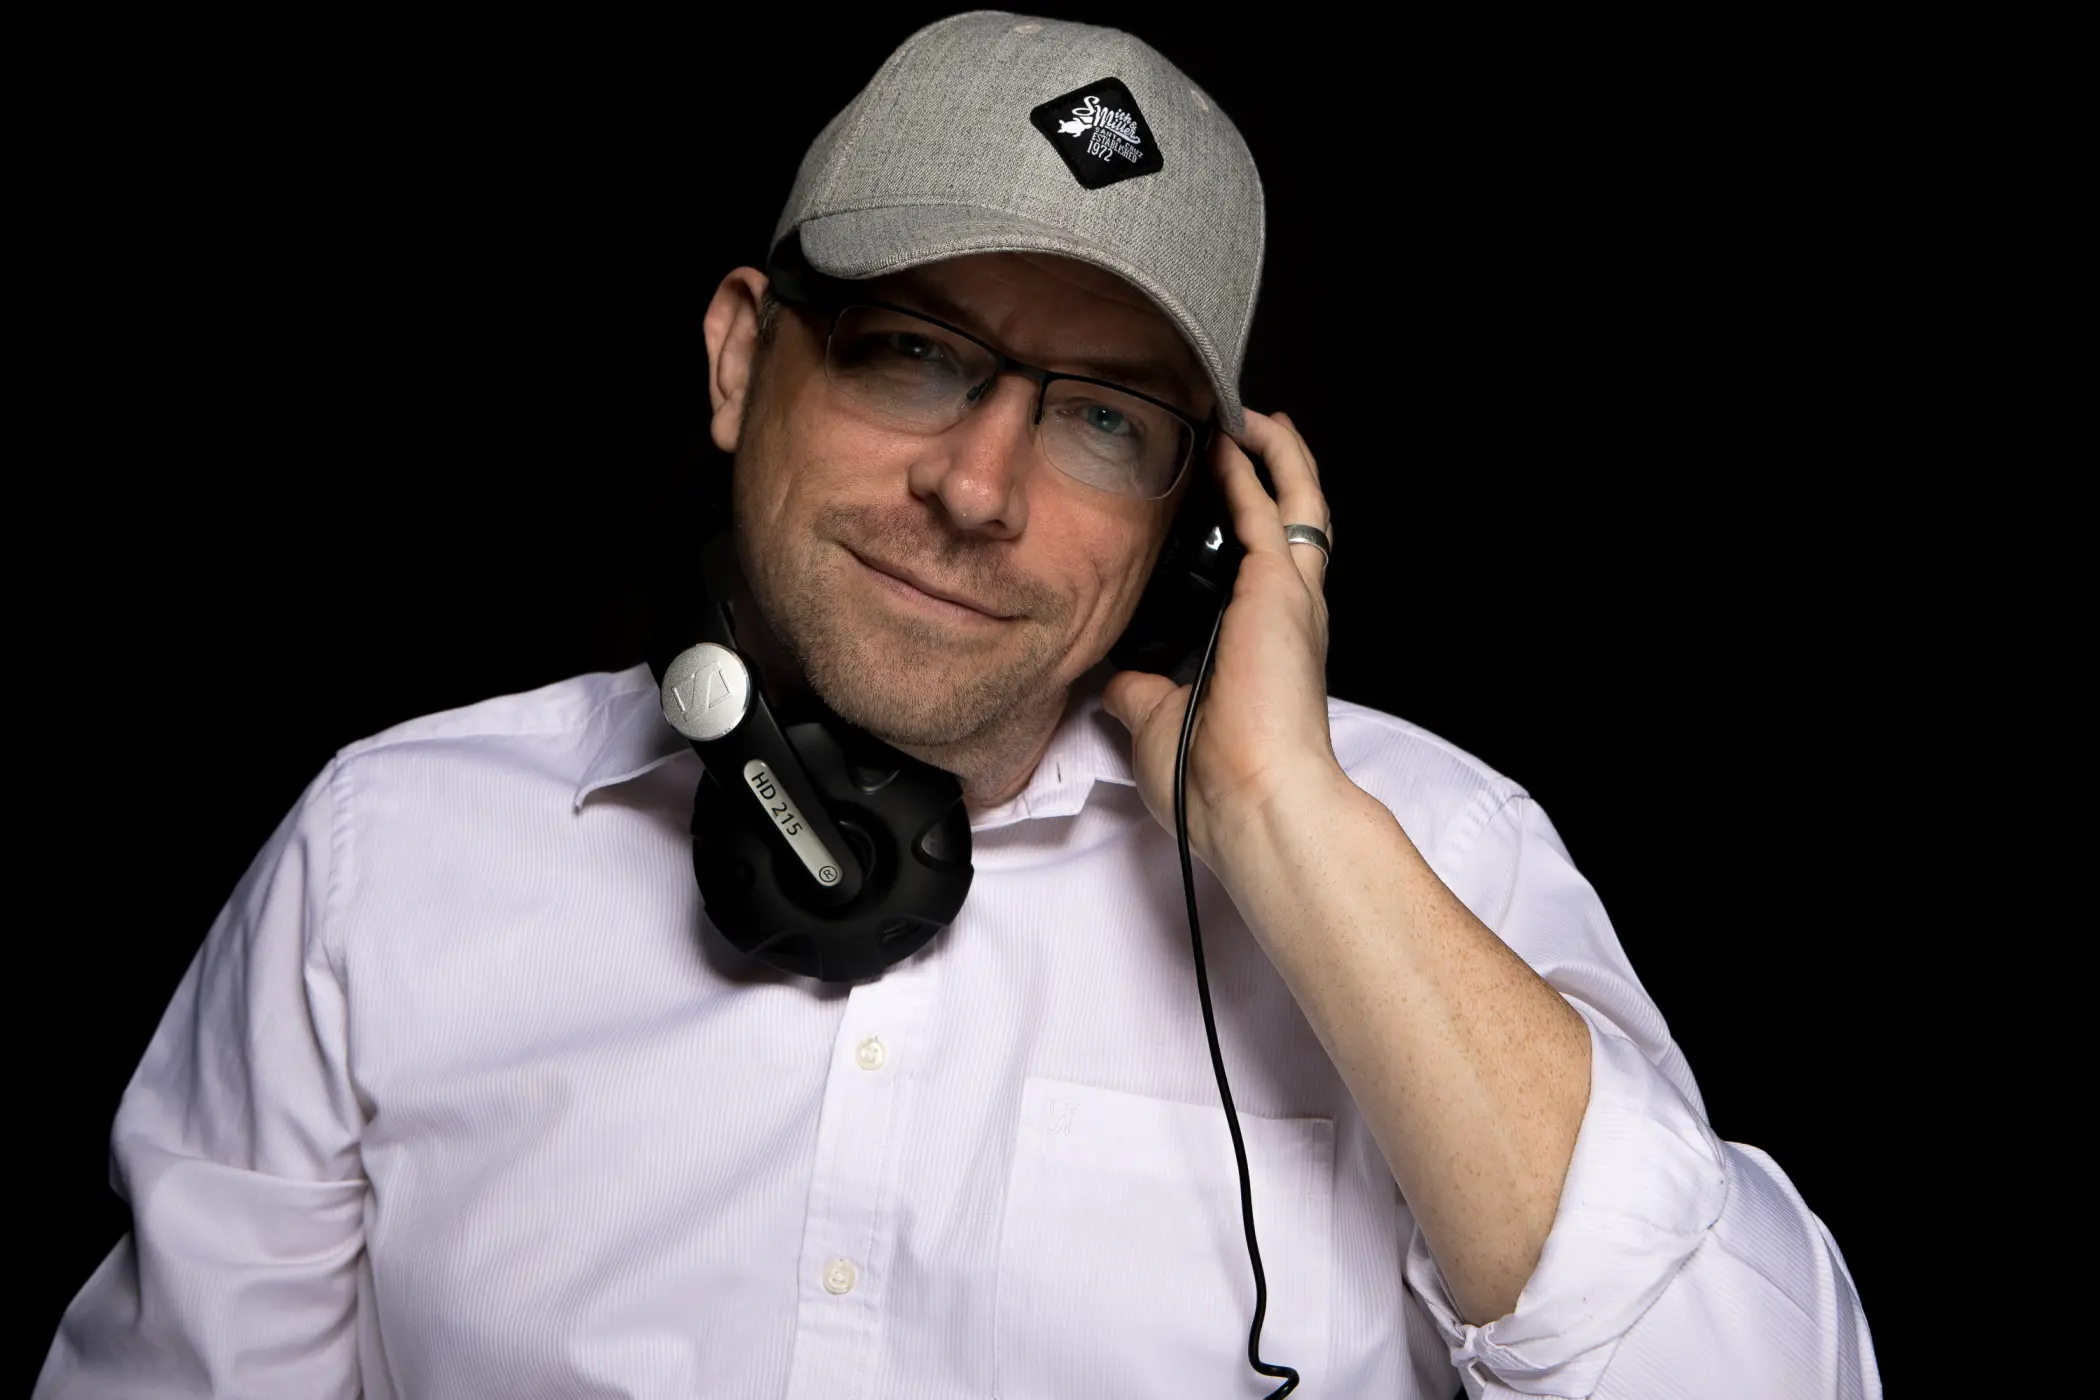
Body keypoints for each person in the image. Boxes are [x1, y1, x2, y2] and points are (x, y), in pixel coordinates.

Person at [37, 13, 1879, 1399]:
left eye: (1104, 420)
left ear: (1202, 519)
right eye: (914, 353)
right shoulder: (387, 858)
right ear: (742, 358)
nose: (981, 489)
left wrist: (1290, 831)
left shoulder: (1433, 856)